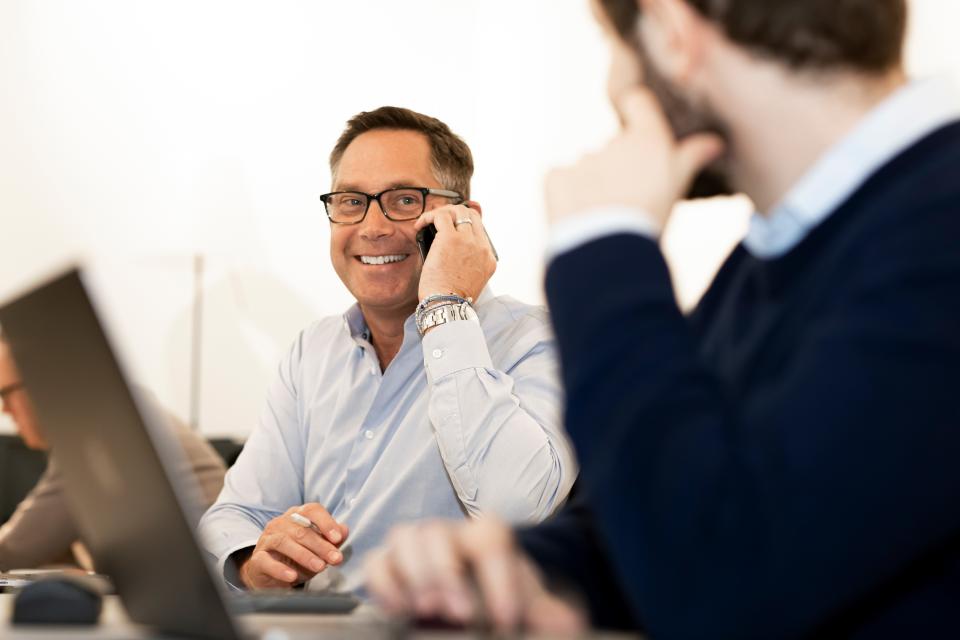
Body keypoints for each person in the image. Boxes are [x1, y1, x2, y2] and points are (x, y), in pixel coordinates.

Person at [364, 0, 960, 637]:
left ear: (672, 33)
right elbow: (669, 509)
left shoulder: (938, 239)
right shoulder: (788, 253)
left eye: (613, 46)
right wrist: (527, 569)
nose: (614, 87)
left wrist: (605, 249)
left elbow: (717, 581)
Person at [198, 106, 576, 594]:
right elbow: (234, 515)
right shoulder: (313, 352)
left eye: (403, 200)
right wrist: (255, 562)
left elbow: (517, 509)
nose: (372, 227)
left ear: (466, 220)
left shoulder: (538, 343)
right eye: (351, 201)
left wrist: (445, 306)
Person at [0, 336, 226, 571]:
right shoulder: (112, 409)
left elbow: (12, 551)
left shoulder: (98, 424)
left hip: (204, 588)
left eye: (6, 393)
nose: (4, 409)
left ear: (42, 385)